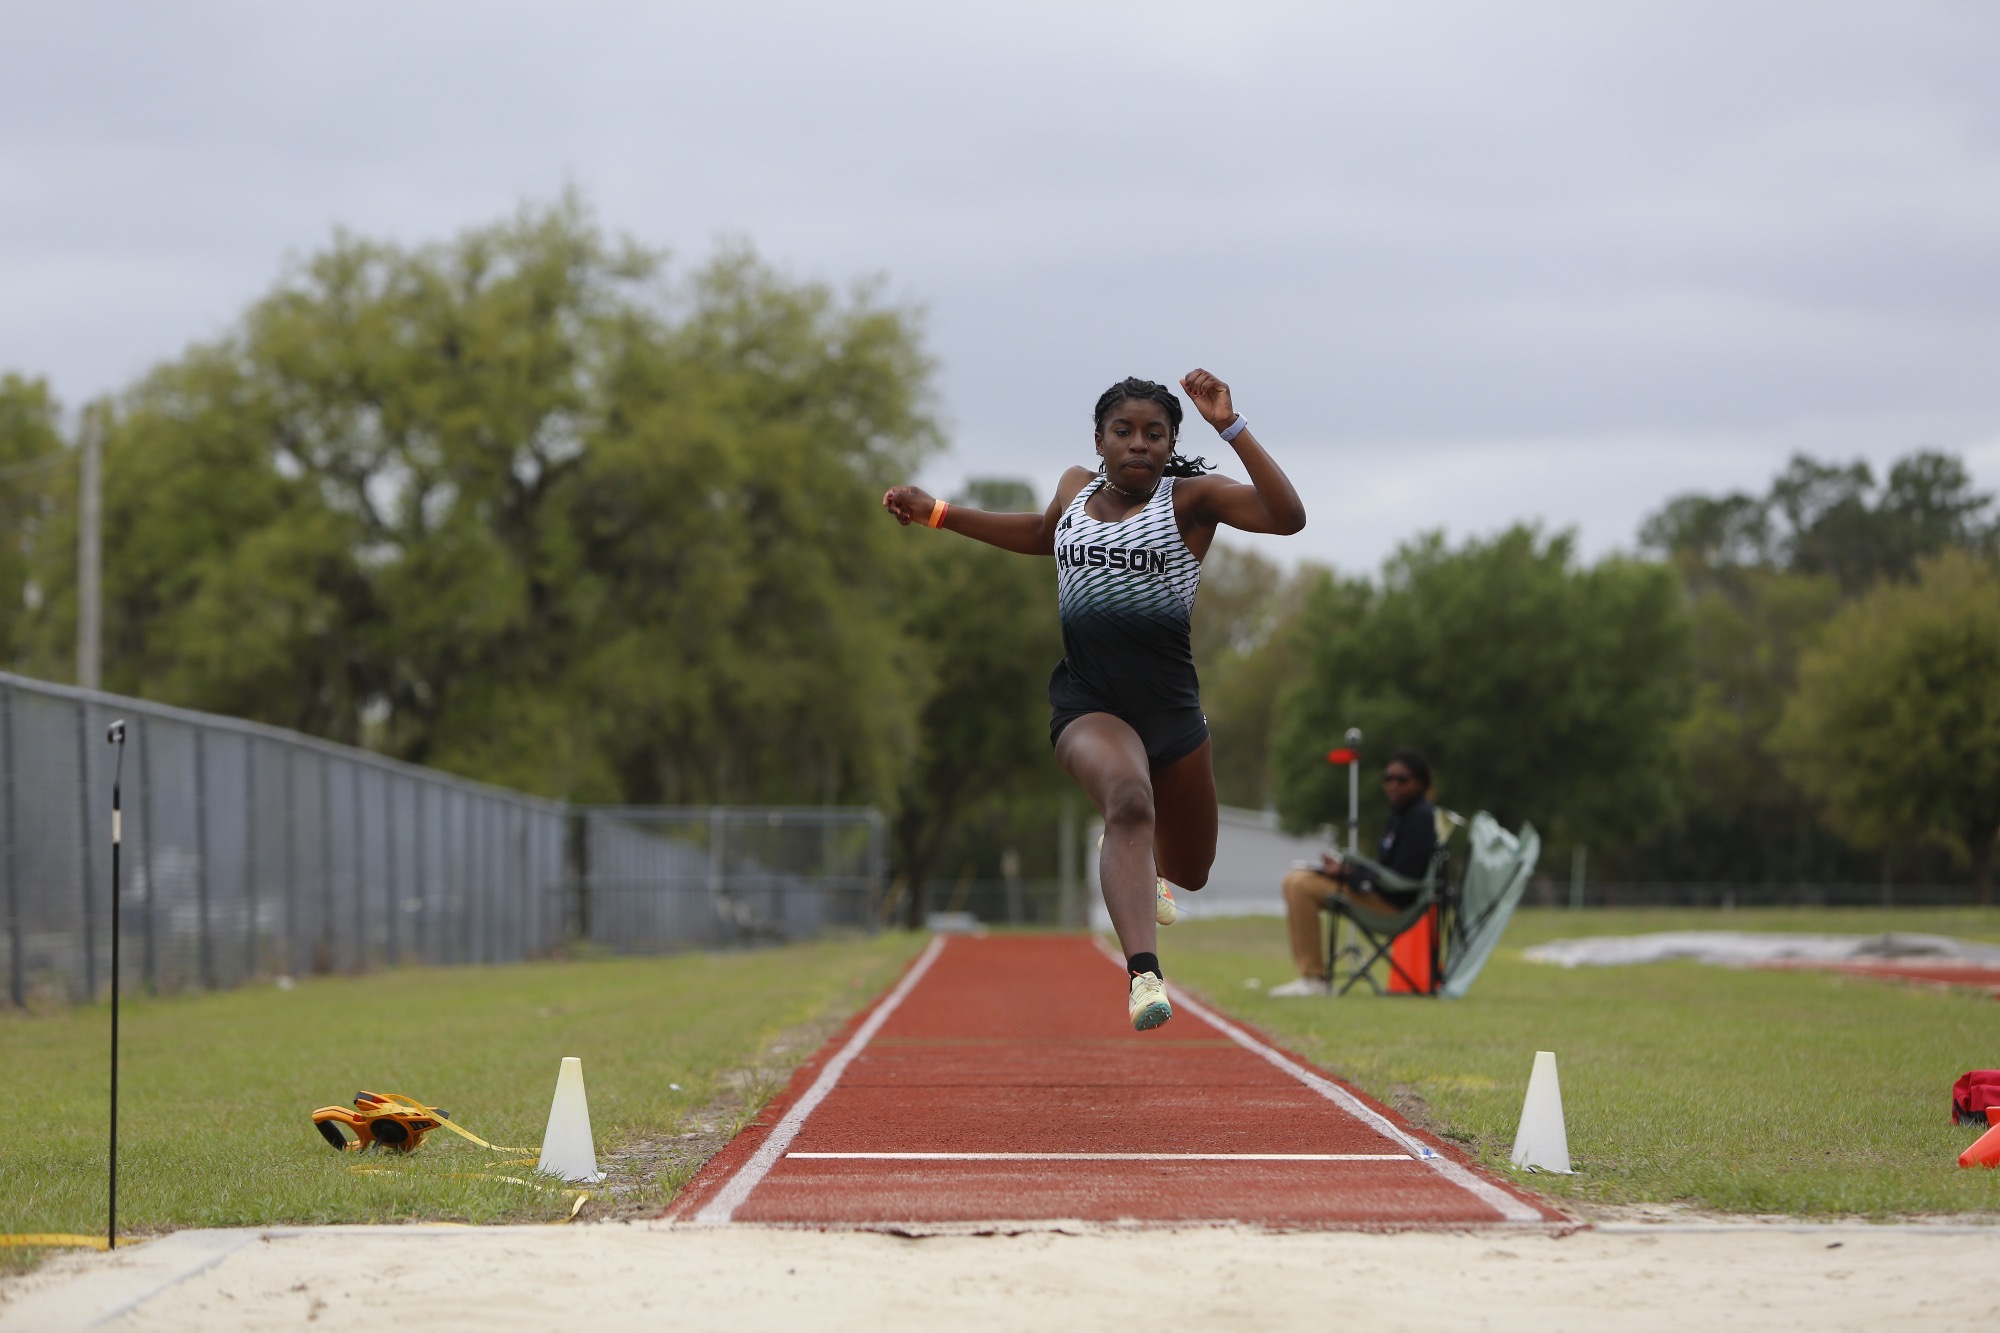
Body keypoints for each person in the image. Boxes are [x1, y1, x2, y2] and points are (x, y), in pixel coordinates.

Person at [883, 370, 1306, 1031]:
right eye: (1124, 432)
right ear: (1100, 440)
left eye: (1155, 434)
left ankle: (1152, 866)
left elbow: (1288, 517)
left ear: (1170, 445)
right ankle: (1143, 973)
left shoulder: (1190, 500)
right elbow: (1040, 534)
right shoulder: (1073, 490)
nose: (1139, 444)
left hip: (1171, 713)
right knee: (1129, 803)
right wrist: (939, 513)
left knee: (1192, 871)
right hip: (1088, 703)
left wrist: (1232, 424)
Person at [1270, 749, 1439, 997]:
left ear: (1420, 782)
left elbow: (1400, 878)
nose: (1393, 785)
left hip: (1391, 906)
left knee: (1300, 886)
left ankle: (1315, 979)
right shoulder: (1400, 813)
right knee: (1293, 879)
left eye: (1401, 779)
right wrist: (1343, 871)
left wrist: (1349, 874)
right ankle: (1308, 975)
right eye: (1388, 778)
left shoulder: (1420, 817)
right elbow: (1384, 869)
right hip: (1376, 892)